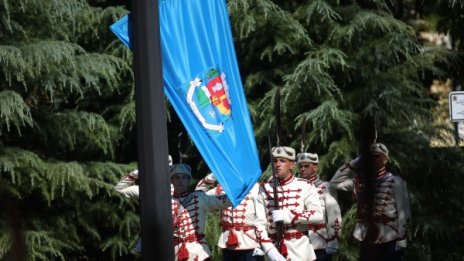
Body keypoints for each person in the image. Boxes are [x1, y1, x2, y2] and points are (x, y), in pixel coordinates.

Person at [330, 143, 411, 261]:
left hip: (388, 235)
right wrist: (354, 162)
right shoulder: (359, 181)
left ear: (385, 160)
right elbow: (335, 182)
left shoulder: (396, 182)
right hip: (364, 235)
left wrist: (402, 240)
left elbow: (405, 212)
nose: (373, 159)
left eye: (377, 156)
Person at [254, 146, 324, 261]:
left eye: (282, 161)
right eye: (275, 161)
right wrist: (270, 250)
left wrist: (287, 216)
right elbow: (259, 224)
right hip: (273, 250)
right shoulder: (264, 189)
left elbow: (318, 215)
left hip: (300, 251)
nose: (277, 164)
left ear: (292, 165)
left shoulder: (305, 185)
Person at [196, 173, 264, 261]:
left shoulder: (255, 187)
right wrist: (210, 178)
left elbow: (262, 218)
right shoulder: (222, 188)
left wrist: (262, 243)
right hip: (227, 241)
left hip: (250, 242)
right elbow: (198, 194)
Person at [170, 163, 231, 261]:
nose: (180, 180)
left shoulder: (199, 197)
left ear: (189, 181)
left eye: (184, 177)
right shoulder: (165, 201)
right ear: (171, 180)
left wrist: (241, 188)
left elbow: (225, 201)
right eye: (177, 177)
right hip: (174, 252)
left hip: (198, 252)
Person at [297, 152, 342, 261]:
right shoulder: (296, 188)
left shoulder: (325, 187)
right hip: (299, 243)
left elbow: (334, 216)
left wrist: (333, 241)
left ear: (315, 167)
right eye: (301, 166)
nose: (303, 169)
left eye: (306, 166)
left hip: (319, 241)